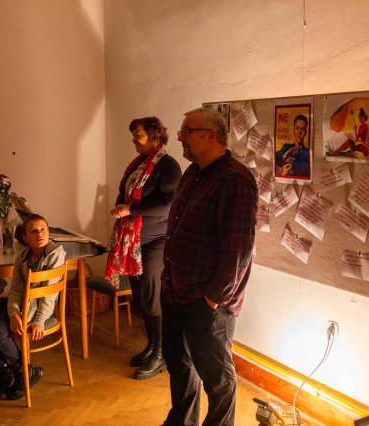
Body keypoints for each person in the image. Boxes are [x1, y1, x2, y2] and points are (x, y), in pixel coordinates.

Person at [161, 107, 258, 425]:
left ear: (211, 135)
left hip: (208, 301)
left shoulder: (236, 179)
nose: (180, 138)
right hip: (176, 290)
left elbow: (239, 250)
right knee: (179, 364)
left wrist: (213, 299)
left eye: (187, 131)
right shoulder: (192, 172)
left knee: (216, 378)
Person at [105, 116, 182, 380]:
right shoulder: (138, 164)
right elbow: (124, 192)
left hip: (157, 240)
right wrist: (121, 205)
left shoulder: (168, 166)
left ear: (154, 136)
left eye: (138, 135)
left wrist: (132, 210)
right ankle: (151, 346)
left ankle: (161, 354)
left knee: (151, 293)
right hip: (134, 240)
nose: (134, 140)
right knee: (140, 296)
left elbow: (169, 204)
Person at [0, 214, 65, 400]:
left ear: (48, 232)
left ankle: (21, 372)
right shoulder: (22, 257)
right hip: (17, 301)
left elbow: (48, 296)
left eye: (43, 229)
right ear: (25, 237)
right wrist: (13, 312)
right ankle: (4, 369)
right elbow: (16, 289)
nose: (39, 234)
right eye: (33, 231)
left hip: (35, 308)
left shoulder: (55, 256)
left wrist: (39, 321)